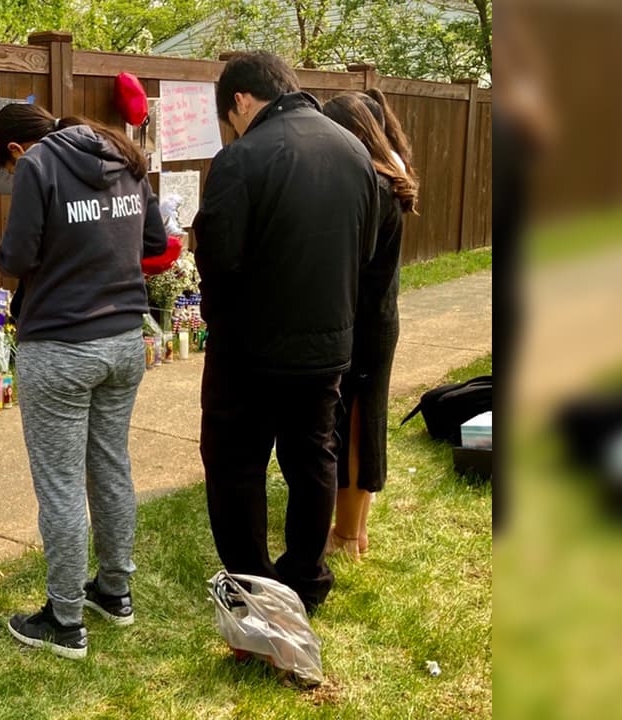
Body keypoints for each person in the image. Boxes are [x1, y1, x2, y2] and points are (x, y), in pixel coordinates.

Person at [192, 51, 378, 614]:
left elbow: (217, 261)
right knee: (312, 457)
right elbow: (365, 253)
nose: (232, 126)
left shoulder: (241, 159)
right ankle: (305, 575)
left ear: (242, 101)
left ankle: (252, 583)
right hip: (328, 346)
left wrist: (221, 324)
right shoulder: (355, 151)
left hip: (249, 351)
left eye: (230, 116)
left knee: (235, 464)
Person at [0, 102, 167, 659]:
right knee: (111, 465)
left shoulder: (39, 166)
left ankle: (65, 620)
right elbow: (156, 244)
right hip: (123, 340)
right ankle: (114, 591)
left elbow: (15, 256)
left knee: (61, 484)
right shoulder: (128, 157)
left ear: (17, 150)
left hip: (60, 345)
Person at [321, 90, 420, 560]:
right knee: (364, 421)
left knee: (356, 427)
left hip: (364, 322)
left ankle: (345, 535)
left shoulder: (374, 187)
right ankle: (355, 531)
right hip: (379, 318)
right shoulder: (387, 175)